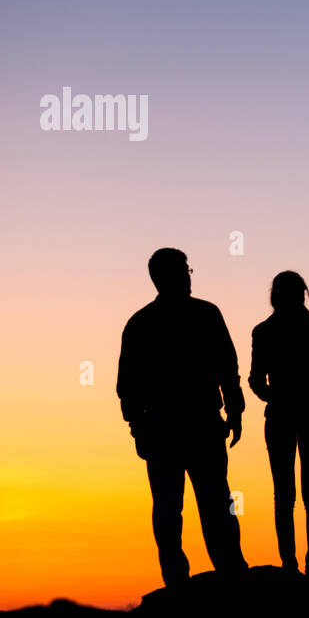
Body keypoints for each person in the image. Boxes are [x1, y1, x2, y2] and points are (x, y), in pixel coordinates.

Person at [116, 248, 249, 586]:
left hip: (174, 425)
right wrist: (138, 427)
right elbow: (228, 369)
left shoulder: (141, 323)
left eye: (188, 270)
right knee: (207, 502)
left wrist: (138, 427)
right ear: (165, 277)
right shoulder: (203, 314)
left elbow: (126, 387)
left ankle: (190, 579)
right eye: (185, 270)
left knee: (181, 506)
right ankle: (224, 574)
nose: (189, 276)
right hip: (189, 424)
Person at [248, 271, 309, 583]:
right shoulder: (273, 331)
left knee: (296, 495)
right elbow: (255, 379)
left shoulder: (280, 331)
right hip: (298, 415)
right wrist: (307, 394)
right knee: (304, 495)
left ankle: (303, 567)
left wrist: (279, 396)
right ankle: (300, 567)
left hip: (298, 415)